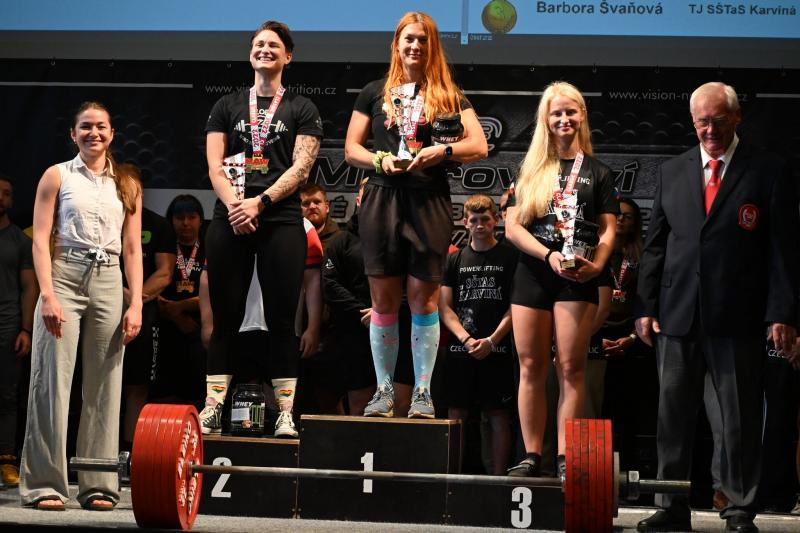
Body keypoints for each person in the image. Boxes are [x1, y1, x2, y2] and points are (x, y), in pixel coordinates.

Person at [635, 82, 799, 533]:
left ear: (737, 117)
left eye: (719, 120)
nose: (710, 130)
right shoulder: (672, 171)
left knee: (739, 417)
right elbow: (655, 246)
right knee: (672, 416)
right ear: (692, 122)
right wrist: (645, 306)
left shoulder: (768, 170)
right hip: (677, 313)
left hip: (739, 315)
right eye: (702, 122)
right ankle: (671, 505)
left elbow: (783, 250)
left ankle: (739, 508)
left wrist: (782, 312)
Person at [344, 11, 488, 418]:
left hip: (428, 200)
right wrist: (380, 160)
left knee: (424, 300)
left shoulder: (447, 94)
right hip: (382, 197)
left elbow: (479, 145)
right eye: (409, 38)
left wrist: (442, 151)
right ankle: (384, 389)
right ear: (397, 43)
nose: (415, 46)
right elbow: (351, 148)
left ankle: (422, 392)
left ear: (432, 46)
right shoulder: (374, 92)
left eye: (423, 40)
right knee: (383, 299)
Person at [20, 101, 143, 511]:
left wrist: (136, 302)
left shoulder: (127, 183)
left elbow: (132, 248)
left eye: (101, 126)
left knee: (105, 385)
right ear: (73, 134)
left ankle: (99, 485)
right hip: (64, 274)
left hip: (109, 278)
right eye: (86, 126)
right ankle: (45, 485)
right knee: (51, 382)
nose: (94, 133)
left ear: (112, 133)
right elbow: (40, 240)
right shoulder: (57, 175)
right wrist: (48, 295)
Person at [203, 20, 322, 438]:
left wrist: (261, 202)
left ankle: (285, 413)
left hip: (280, 218)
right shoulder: (227, 105)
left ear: (288, 56)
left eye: (273, 45)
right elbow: (214, 165)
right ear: (250, 53)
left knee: (281, 319)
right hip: (231, 215)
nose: (264, 50)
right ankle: (213, 408)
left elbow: (302, 168)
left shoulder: (302, 108)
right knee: (226, 318)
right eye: (258, 44)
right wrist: (237, 206)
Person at [504, 81, 617, 479]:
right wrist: (547, 255)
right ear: (546, 120)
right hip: (535, 272)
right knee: (531, 365)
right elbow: (513, 229)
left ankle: (567, 457)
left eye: (571, 111)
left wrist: (598, 265)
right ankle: (532, 455)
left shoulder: (599, 172)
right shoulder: (531, 170)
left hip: (578, 274)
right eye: (557, 113)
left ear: (582, 114)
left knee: (571, 366)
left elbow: (608, 230)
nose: (564, 119)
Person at [439, 194, 517, 474]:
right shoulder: (454, 259)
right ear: (465, 223)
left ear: (496, 219)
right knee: (456, 414)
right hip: (461, 350)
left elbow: (516, 306)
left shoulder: (510, 257)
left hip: (498, 349)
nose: (480, 225)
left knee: (498, 415)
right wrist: (466, 339)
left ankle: (498, 481)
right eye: (474, 220)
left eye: (485, 219)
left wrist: (493, 340)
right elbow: (444, 307)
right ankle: (452, 479)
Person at [118, 165, 175, 451]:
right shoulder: (102, 219)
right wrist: (117, 292)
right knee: (98, 382)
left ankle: (130, 452)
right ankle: (94, 452)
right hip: (103, 304)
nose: (129, 192)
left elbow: (164, 273)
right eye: (122, 186)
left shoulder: (157, 224)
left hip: (142, 310)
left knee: (137, 384)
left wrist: (135, 299)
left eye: (134, 188)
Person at [0, 173, 37, 487]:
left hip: (7, 325)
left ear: (12, 201)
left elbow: (29, 288)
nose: (1, 197)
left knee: (7, 395)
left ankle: (6, 461)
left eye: (6, 193)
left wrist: (25, 329)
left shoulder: (21, 242)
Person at [151, 195, 206, 406]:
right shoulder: (163, 248)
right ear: (171, 220)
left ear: (201, 220)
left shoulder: (210, 247)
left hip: (199, 326)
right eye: (179, 217)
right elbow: (151, 287)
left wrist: (181, 307)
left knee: (197, 395)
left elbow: (217, 292)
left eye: (191, 217)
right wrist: (175, 315)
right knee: (163, 395)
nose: (185, 223)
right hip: (165, 327)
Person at [300, 183, 341, 248]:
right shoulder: (291, 238)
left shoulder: (341, 240)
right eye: (306, 203)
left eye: (317, 202)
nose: (312, 206)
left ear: (327, 207)